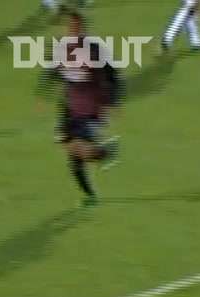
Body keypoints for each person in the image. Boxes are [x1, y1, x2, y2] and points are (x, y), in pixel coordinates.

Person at [47, 11, 122, 205]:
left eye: (75, 27)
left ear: (82, 28)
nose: (71, 30)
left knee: (78, 150)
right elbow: (54, 71)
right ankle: (90, 194)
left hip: (91, 106)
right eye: (69, 26)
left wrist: (112, 102)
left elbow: (113, 75)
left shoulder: (95, 49)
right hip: (69, 107)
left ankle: (105, 155)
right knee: (72, 155)